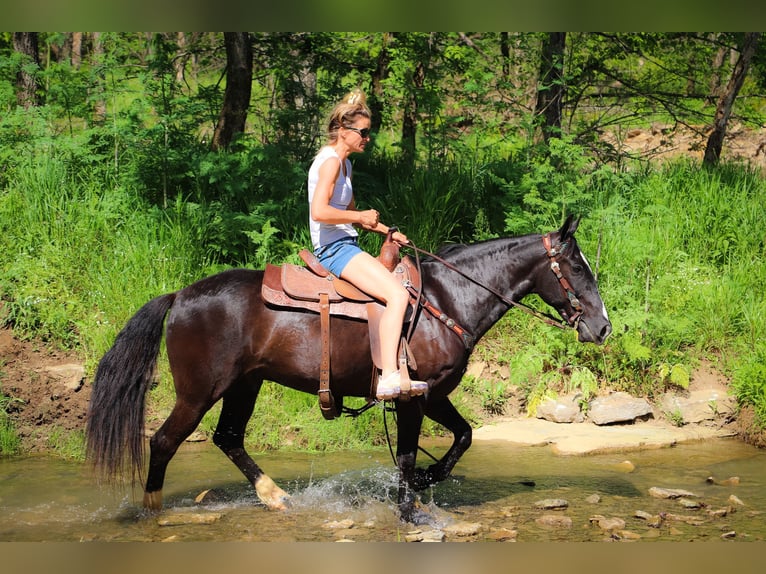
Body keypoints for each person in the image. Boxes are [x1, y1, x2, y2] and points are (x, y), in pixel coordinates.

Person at [308, 89, 428, 401]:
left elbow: (355, 218)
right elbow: (319, 212)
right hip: (334, 250)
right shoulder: (331, 162)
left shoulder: (345, 166)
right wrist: (358, 214)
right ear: (343, 131)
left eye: (368, 132)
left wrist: (389, 232)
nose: (367, 138)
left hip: (347, 242)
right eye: (363, 132)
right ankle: (388, 376)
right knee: (397, 294)